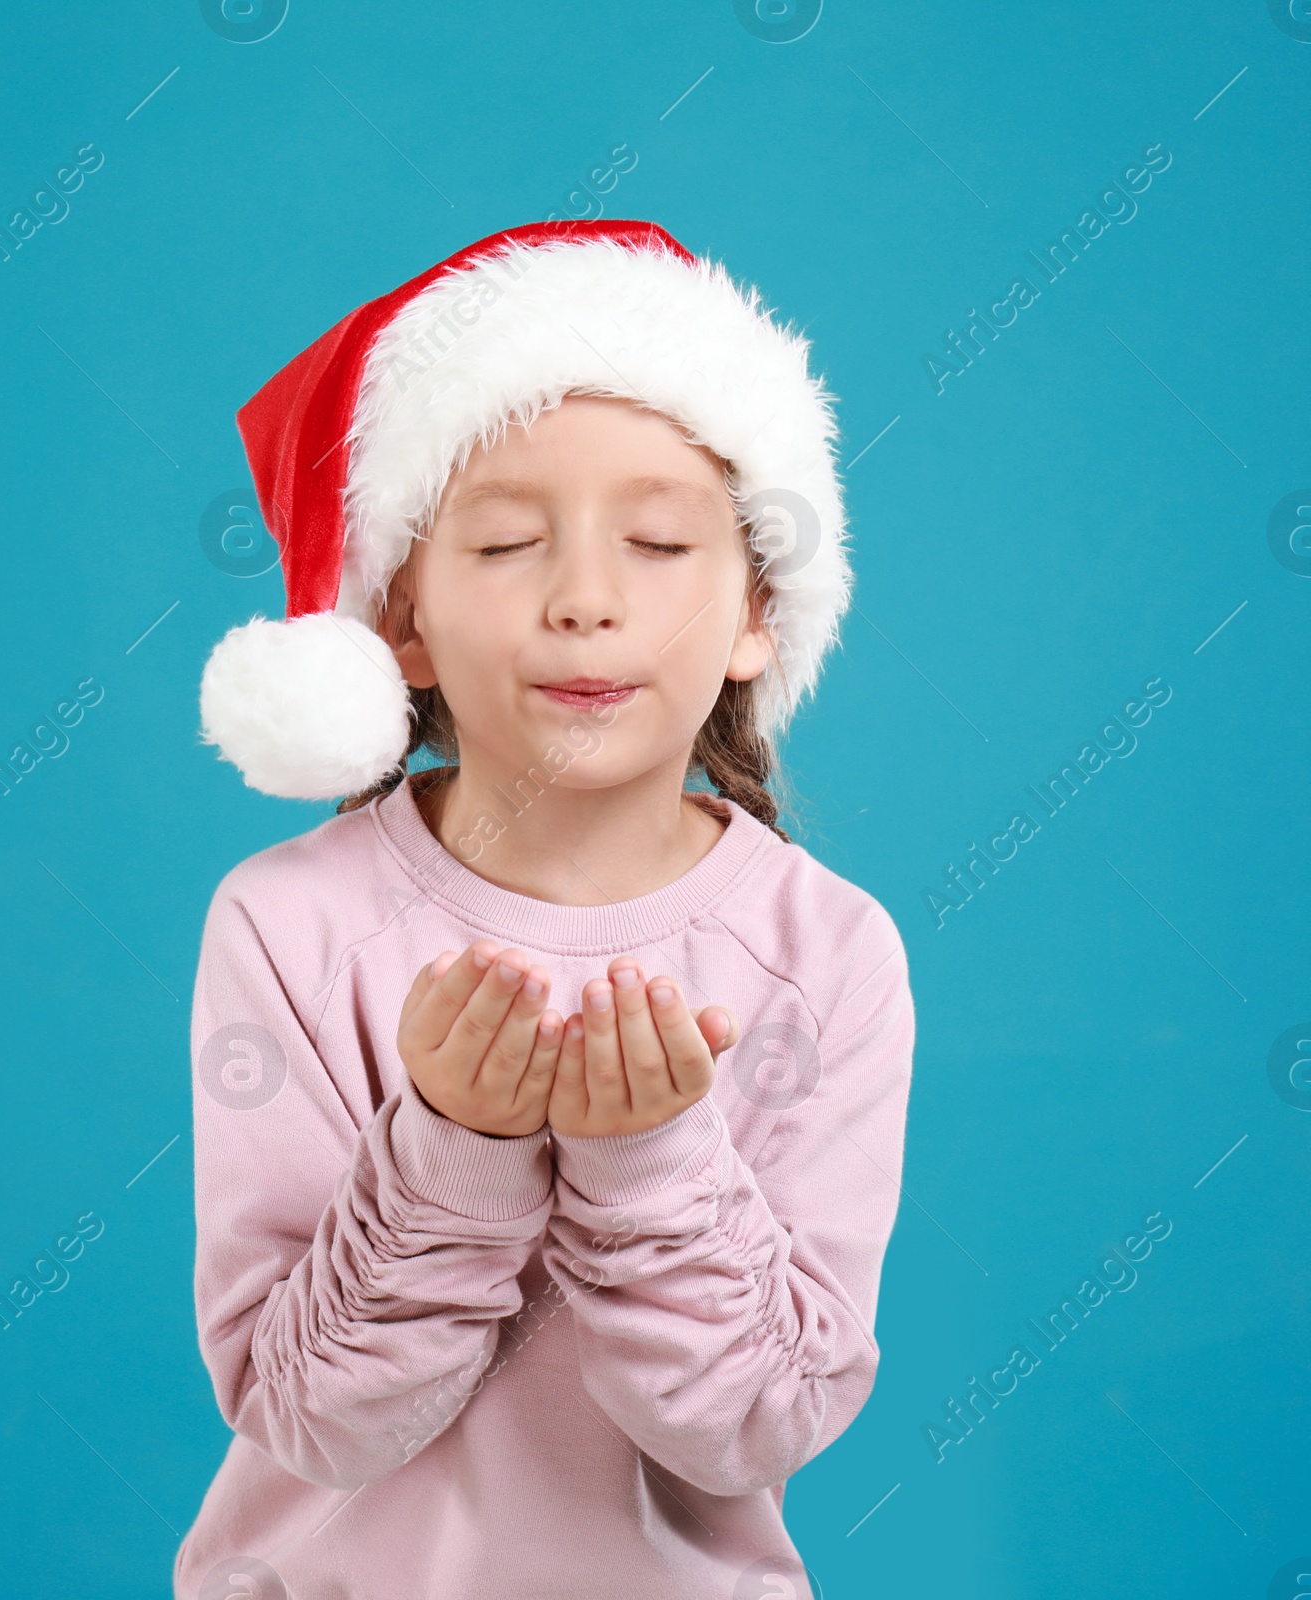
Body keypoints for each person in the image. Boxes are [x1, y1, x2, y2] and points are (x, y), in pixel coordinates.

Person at [176, 219, 914, 1600]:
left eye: (654, 541)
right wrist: (452, 1147)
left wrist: (650, 1166)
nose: (585, 599)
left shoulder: (831, 955)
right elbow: (308, 1417)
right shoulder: (288, 927)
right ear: (402, 624)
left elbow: (760, 1426)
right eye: (510, 542)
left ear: (757, 612)